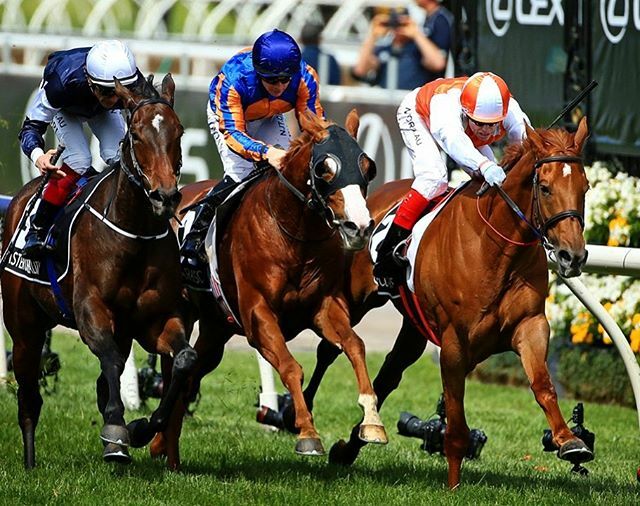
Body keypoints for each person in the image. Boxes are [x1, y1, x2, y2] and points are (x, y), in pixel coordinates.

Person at [373, 71, 531, 294]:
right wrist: (485, 166)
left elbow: (528, 145)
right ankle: (387, 253)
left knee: (495, 188)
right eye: (480, 123)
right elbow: (455, 142)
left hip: (461, 129)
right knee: (434, 177)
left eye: (492, 125)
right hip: (418, 113)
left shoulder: (511, 111)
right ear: (466, 113)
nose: (486, 131)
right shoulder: (446, 108)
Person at [181, 28, 325, 260]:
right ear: (258, 73)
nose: (279, 87)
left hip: (270, 117)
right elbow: (233, 134)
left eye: (285, 79)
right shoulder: (232, 81)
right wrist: (266, 152)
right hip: (232, 121)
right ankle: (195, 236)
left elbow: (314, 124)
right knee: (241, 175)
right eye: (270, 80)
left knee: (289, 173)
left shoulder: (305, 77)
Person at [18, 40, 142, 259]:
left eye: (119, 93)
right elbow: (30, 128)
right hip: (66, 108)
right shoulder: (61, 84)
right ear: (90, 81)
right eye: (107, 92)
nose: (113, 100)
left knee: (118, 156)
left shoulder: (132, 81)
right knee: (79, 159)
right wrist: (38, 156)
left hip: (93, 106)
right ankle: (37, 228)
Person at [352, 1, 453, 90]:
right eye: (395, 23)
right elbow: (360, 70)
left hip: (411, 106)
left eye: (402, 23)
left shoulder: (418, 49)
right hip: (385, 106)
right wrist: (372, 35)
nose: (398, 27)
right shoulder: (384, 49)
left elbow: (438, 63)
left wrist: (416, 34)